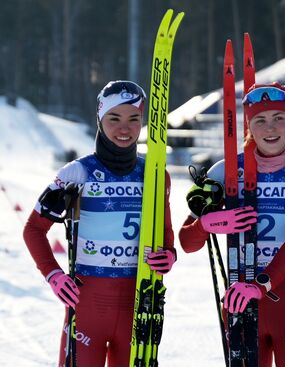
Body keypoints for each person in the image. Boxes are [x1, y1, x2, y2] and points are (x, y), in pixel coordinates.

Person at [179, 82, 285, 366]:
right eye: (260, 120)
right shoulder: (226, 170)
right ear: (249, 125)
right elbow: (187, 243)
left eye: (279, 118)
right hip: (241, 297)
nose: (271, 128)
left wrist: (261, 285)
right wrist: (206, 224)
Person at [22, 80, 176, 367]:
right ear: (99, 119)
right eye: (114, 118)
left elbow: (166, 235)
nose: (124, 128)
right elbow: (33, 229)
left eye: (134, 119)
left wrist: (169, 255)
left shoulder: (155, 175)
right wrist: (53, 275)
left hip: (137, 305)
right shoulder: (78, 173)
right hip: (87, 305)